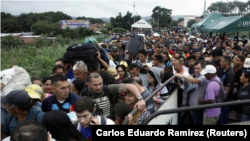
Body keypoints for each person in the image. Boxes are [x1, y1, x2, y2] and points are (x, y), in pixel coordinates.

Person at [80, 73, 146, 120]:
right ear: (89, 85)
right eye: (95, 85)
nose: (99, 87)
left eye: (100, 84)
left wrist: (140, 99)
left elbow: (131, 86)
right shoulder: (84, 93)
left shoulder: (108, 89)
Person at [175, 60, 208, 125]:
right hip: (192, 104)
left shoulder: (204, 77)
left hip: (198, 105)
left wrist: (184, 76)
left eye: (198, 68)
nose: (196, 70)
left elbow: (195, 81)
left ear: (203, 68)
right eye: (195, 68)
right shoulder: (196, 75)